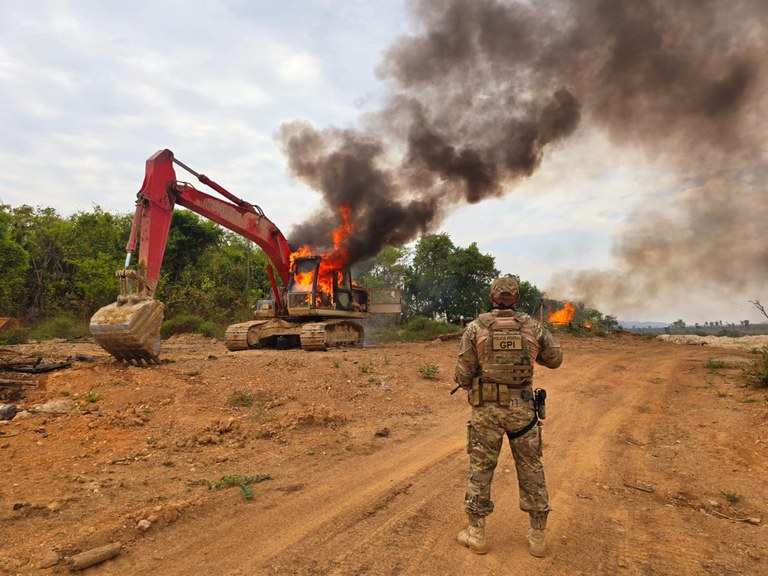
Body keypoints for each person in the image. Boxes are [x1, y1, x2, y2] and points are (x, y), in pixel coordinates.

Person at [453, 276, 562, 557]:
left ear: (492, 298)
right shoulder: (533, 327)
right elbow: (555, 359)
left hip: (486, 410)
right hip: (523, 410)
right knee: (531, 468)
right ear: (516, 299)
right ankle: (537, 536)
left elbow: (463, 374)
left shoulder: (476, 328)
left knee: (481, 469)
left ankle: (476, 533)